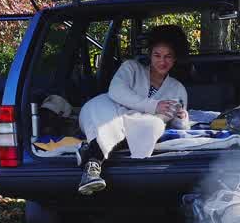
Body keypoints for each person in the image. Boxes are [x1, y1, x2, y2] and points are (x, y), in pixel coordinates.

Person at [76, 25, 192, 194]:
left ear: (175, 59)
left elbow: (175, 123)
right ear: (150, 55)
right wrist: (153, 105)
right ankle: (92, 165)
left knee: (154, 125)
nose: (162, 61)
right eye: (157, 55)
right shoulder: (131, 68)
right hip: (108, 110)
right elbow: (115, 91)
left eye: (168, 56)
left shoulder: (178, 88)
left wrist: (182, 119)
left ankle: (89, 152)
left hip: (138, 122)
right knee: (107, 117)